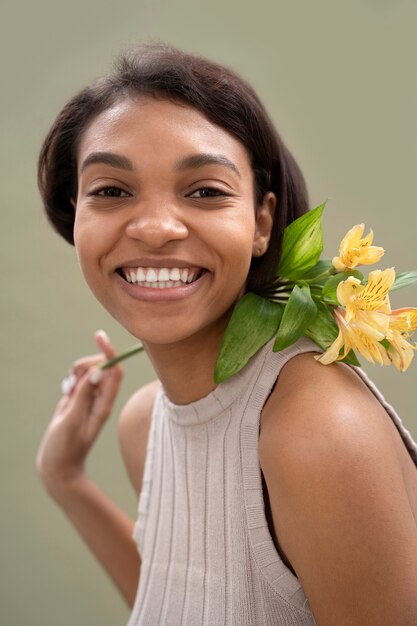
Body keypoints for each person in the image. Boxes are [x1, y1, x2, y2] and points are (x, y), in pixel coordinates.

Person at [36, 43, 417, 626]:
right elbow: (197, 601)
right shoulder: (145, 423)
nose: (157, 229)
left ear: (263, 222)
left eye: (205, 191)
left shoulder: (315, 434)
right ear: (76, 212)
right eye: (111, 190)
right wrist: (66, 480)